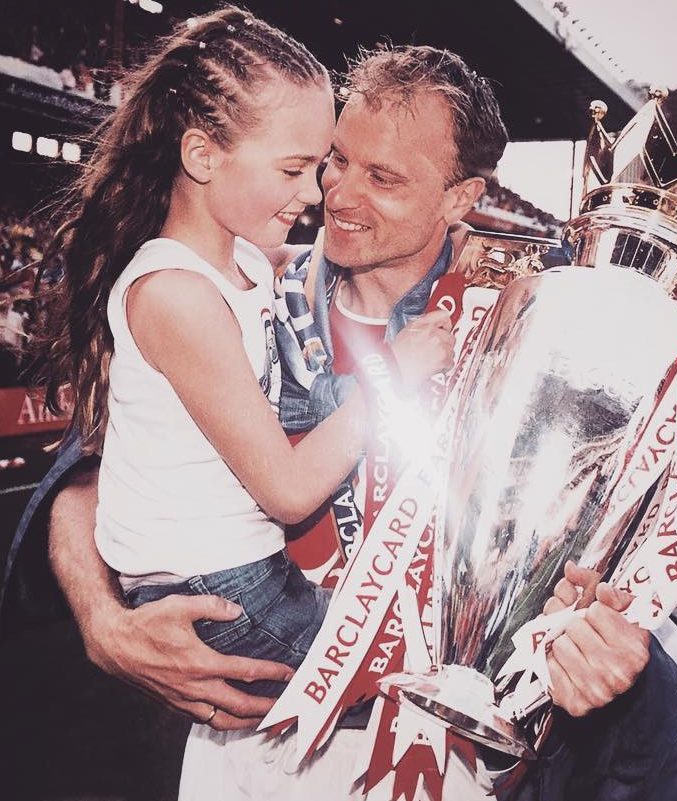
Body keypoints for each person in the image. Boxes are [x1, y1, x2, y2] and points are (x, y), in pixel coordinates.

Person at [4, 41, 677, 801]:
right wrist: (103, 619)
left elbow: (611, 558)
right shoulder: (248, 288)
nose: (339, 195)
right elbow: (88, 463)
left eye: (384, 177)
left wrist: (608, 645)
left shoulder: (528, 341)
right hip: (250, 739)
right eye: (334, 161)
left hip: (444, 752)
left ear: (460, 197)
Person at [31, 7, 453, 702]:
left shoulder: (254, 265)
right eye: (307, 167)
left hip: (251, 573)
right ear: (202, 156)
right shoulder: (177, 293)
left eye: (378, 175)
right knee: (424, 684)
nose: (323, 193)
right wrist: (394, 375)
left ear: (462, 196)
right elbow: (280, 490)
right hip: (225, 591)